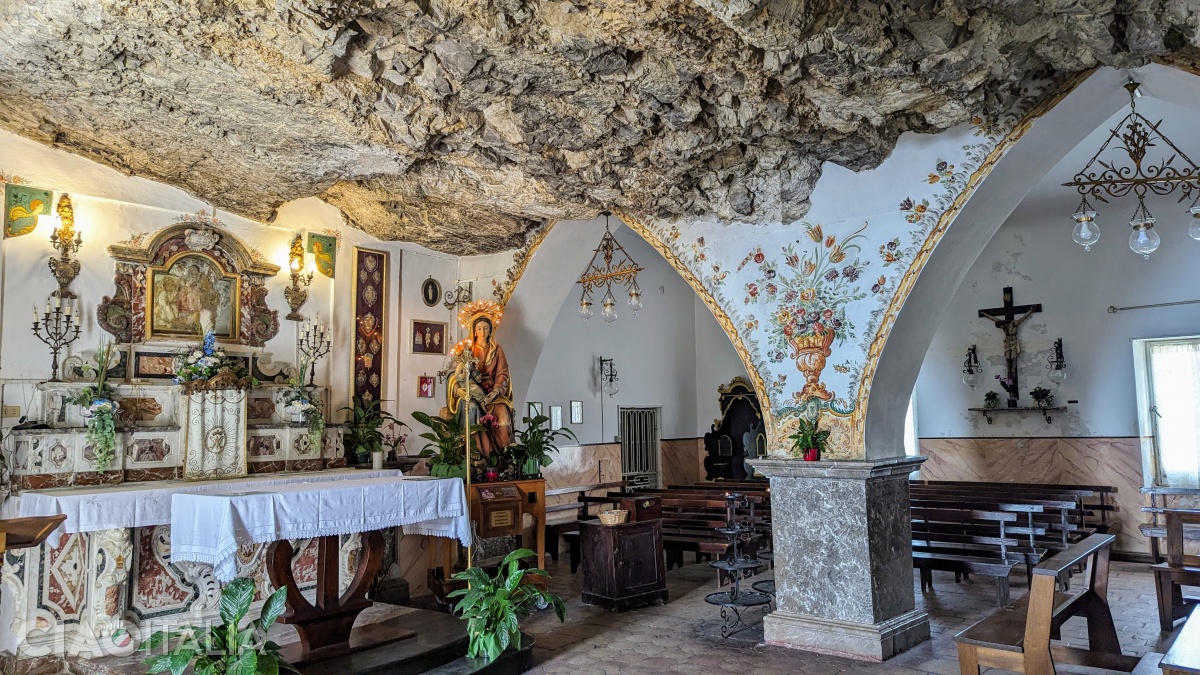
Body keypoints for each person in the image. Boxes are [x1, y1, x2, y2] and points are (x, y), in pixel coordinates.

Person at [446, 301, 514, 456]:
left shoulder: (497, 349)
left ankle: (504, 456)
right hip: (470, 390)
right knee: (472, 407)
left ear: (490, 330)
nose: (483, 332)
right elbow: (452, 374)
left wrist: (495, 392)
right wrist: (458, 390)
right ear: (474, 331)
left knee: (502, 414)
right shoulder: (466, 349)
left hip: (493, 392)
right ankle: (475, 452)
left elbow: (502, 373)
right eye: (479, 328)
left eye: (486, 328)